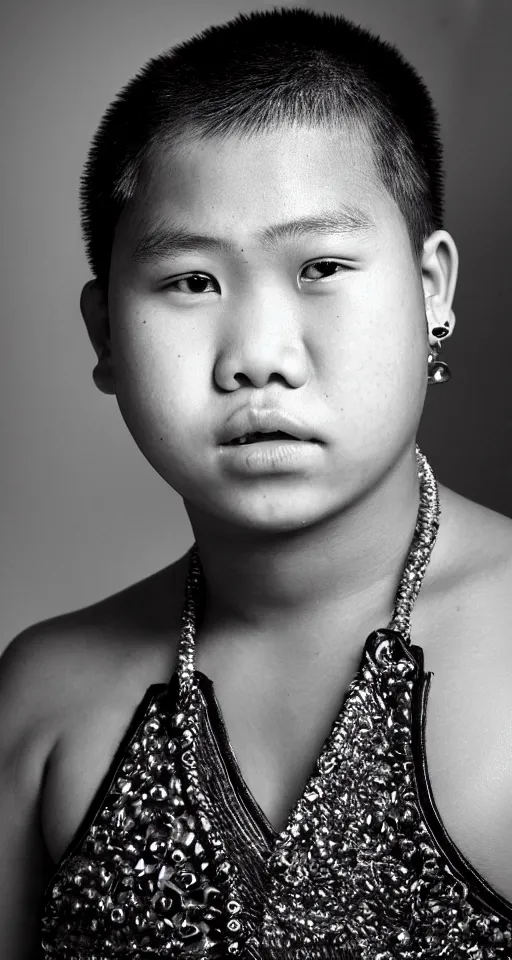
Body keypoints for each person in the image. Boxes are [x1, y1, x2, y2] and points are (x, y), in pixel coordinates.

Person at [1, 5, 512, 958]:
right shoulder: (43, 704)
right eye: (193, 282)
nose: (259, 358)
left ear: (431, 289)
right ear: (106, 333)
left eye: (320, 265)